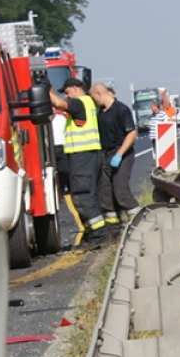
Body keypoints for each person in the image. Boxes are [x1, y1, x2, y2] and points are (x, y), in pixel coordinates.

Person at [49, 78, 108, 248]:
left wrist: (45, 92)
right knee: (89, 195)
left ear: (75, 88)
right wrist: (47, 85)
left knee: (83, 196)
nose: (66, 96)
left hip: (83, 156)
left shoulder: (79, 103)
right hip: (88, 155)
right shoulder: (87, 103)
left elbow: (59, 104)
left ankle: (99, 233)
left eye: (67, 92)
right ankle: (93, 233)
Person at [90, 82, 141, 238]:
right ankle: (114, 234)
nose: (94, 101)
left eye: (93, 98)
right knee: (106, 195)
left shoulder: (121, 110)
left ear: (99, 93)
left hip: (121, 153)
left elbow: (131, 133)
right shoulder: (100, 112)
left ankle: (140, 225)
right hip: (107, 155)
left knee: (121, 192)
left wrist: (119, 154)